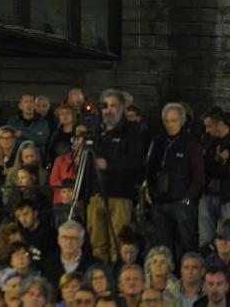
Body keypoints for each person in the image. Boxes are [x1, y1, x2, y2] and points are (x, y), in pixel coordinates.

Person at [89, 89, 144, 263]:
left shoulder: (133, 132)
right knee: (97, 244)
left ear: (122, 108)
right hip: (95, 194)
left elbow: (136, 161)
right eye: (105, 106)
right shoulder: (96, 132)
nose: (108, 110)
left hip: (120, 195)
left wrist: (109, 164)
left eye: (113, 106)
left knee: (118, 243)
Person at [146, 102, 204, 257]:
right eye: (167, 121)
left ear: (182, 121)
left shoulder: (191, 143)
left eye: (174, 121)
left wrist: (188, 198)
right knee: (163, 247)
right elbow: (149, 169)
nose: (170, 125)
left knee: (187, 244)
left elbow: (198, 174)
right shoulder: (158, 142)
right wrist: (150, 192)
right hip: (160, 202)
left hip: (181, 203)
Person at [200, 107, 230, 249]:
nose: (207, 130)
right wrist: (218, 162)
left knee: (227, 237)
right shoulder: (207, 141)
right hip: (207, 194)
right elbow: (203, 166)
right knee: (205, 238)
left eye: (209, 126)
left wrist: (215, 166)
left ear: (219, 124)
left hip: (227, 197)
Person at [42, 221, 95, 294]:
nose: (69, 242)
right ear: (59, 240)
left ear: (81, 241)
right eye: (65, 238)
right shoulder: (47, 264)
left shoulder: (94, 264)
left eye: (73, 238)